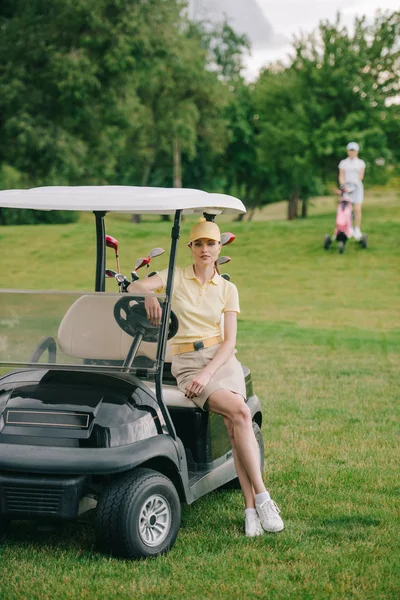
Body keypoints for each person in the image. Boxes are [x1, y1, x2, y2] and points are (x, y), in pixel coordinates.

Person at [127, 219, 284, 537]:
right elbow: (134, 286)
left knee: (234, 422)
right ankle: (263, 498)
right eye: (198, 244)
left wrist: (209, 372)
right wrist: (150, 297)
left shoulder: (227, 289)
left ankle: (252, 509)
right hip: (187, 363)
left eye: (210, 244)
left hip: (221, 362)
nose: (204, 249)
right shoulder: (175, 277)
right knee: (240, 413)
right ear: (191, 248)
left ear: (219, 248)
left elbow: (229, 342)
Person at [338, 142, 366, 241]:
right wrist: (343, 186)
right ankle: (347, 228)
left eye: (353, 150)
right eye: (350, 150)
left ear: (357, 152)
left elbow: (361, 176)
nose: (352, 152)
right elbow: (341, 176)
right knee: (346, 210)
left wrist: (355, 183)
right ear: (348, 151)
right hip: (346, 188)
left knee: (357, 209)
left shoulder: (360, 163)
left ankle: (357, 229)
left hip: (357, 188)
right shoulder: (343, 163)